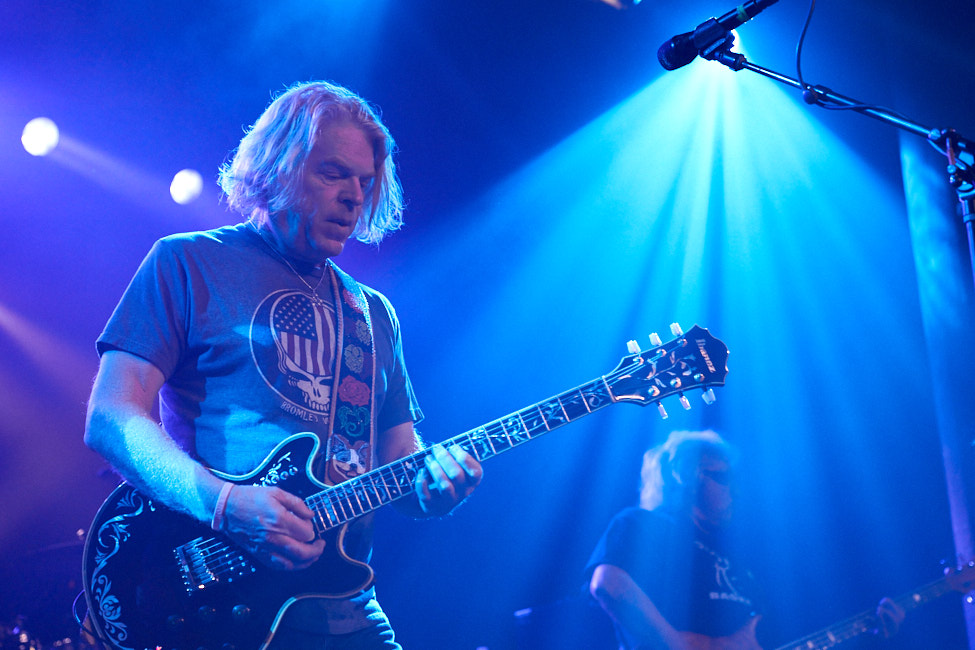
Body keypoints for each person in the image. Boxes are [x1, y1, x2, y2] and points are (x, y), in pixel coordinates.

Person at [83, 80, 482, 649]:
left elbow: (399, 457)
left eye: (365, 182)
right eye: (333, 173)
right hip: (217, 600)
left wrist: (433, 485)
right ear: (279, 168)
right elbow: (110, 417)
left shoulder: (372, 313)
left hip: (346, 605)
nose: (354, 197)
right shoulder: (188, 261)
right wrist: (226, 506)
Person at [585, 430, 904, 650]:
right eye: (723, 477)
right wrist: (680, 643)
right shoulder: (645, 524)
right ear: (685, 476)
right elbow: (608, 584)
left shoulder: (740, 559)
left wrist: (866, 634)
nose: (735, 490)